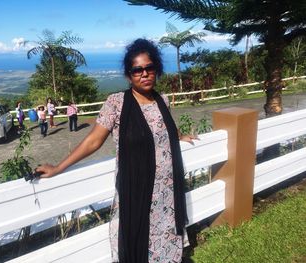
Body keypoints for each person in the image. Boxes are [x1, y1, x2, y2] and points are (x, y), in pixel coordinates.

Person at [36, 38, 196, 263]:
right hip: (137, 192)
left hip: (166, 193)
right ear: (129, 75)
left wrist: (180, 136)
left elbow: (163, 128)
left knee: (165, 245)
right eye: (137, 70)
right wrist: (58, 167)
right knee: (135, 244)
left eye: (149, 68)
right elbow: (93, 141)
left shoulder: (163, 100)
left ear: (156, 69)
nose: (145, 74)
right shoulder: (116, 104)